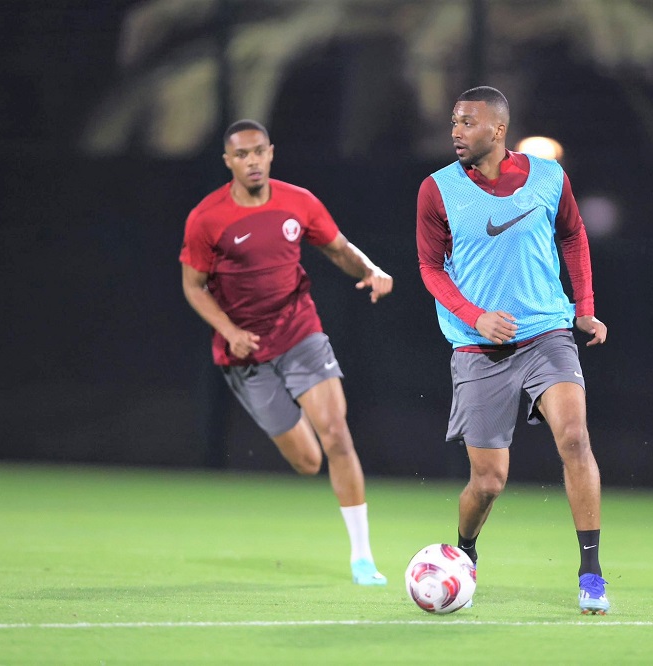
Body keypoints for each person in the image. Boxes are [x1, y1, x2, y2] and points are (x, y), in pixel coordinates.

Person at [416, 87, 610, 613]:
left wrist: (583, 305)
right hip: (479, 348)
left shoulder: (548, 177)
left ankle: (590, 572)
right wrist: (475, 316)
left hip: (547, 332)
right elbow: (430, 269)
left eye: (467, 122)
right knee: (489, 480)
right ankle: (466, 549)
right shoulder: (438, 190)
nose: (456, 130)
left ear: (497, 130)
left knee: (574, 438)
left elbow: (573, 236)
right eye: (453, 121)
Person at [180, 119, 391, 586]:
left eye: (259, 151)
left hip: (300, 333)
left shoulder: (299, 201)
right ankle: (309, 459)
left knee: (336, 434)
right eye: (242, 155)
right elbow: (193, 287)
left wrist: (371, 269)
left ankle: (362, 559)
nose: (252, 161)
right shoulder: (206, 218)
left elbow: (336, 248)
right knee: (308, 461)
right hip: (246, 353)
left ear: (271, 152)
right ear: (228, 162)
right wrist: (228, 329)